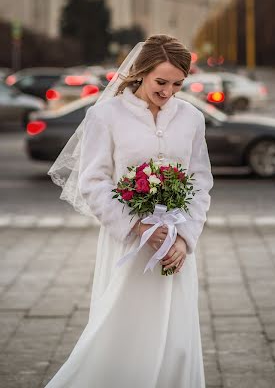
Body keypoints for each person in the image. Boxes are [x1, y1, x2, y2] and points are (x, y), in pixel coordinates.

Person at [45, 34, 213, 388]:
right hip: (128, 245)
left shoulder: (192, 117)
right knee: (120, 325)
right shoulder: (104, 115)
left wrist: (184, 239)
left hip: (175, 247)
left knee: (176, 333)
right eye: (161, 82)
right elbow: (93, 181)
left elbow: (200, 180)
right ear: (141, 72)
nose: (168, 92)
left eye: (178, 84)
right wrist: (137, 227)